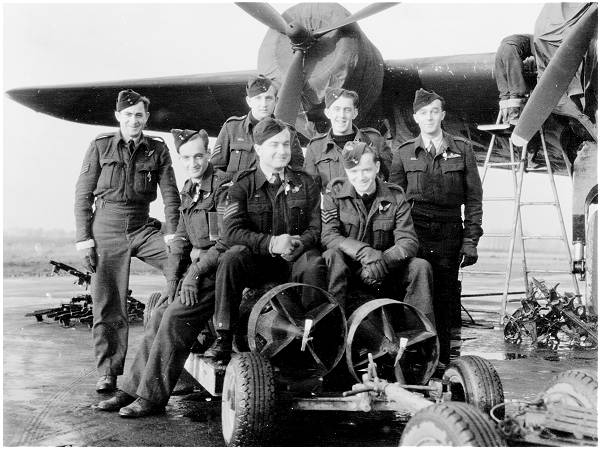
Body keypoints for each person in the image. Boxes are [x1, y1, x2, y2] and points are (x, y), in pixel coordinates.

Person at [95, 128, 221, 418]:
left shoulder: (221, 187)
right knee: (160, 311)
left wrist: (191, 277)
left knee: (175, 316)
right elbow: (180, 239)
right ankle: (130, 389)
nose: (193, 162)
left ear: (208, 154)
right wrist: (175, 279)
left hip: (217, 272)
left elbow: (223, 245)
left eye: (199, 155)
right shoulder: (190, 190)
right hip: (196, 273)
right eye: (187, 158)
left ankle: (152, 398)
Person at [74, 89, 180, 392]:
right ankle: (107, 371)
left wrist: (173, 235)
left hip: (142, 224)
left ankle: (178, 354)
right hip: (106, 226)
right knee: (108, 303)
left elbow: (171, 194)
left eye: (139, 115)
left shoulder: (157, 149)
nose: (134, 120)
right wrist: (85, 240)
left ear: (146, 118)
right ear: (118, 116)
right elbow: (83, 194)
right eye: (128, 114)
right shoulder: (100, 146)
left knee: (180, 266)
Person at [208, 117, 326, 360]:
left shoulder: (305, 183)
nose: (282, 151)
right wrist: (271, 244)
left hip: (292, 261)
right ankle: (224, 336)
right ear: (259, 148)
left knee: (313, 261)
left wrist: (299, 244)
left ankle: (312, 334)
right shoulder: (242, 185)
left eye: (285, 144)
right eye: (274, 145)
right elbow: (231, 232)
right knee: (232, 257)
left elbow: (315, 229)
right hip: (257, 264)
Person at [390, 89, 483, 368]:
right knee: (413, 293)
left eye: (434, 111)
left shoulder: (462, 150)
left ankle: (441, 362)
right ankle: (411, 358)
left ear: (442, 115)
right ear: (415, 118)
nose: (429, 117)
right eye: (423, 113)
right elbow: (394, 199)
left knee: (444, 298)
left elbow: (474, 200)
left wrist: (470, 241)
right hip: (414, 233)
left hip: (448, 234)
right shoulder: (404, 153)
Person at [321, 141, 435, 326]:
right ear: (346, 170)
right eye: (354, 171)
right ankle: (335, 327)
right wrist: (364, 253)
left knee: (420, 266)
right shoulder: (334, 194)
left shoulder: (395, 196)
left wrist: (381, 261)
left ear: (377, 167)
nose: (360, 177)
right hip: (348, 273)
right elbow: (329, 236)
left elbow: (408, 241)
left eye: (366, 170)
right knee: (332, 255)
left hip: (384, 272)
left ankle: (420, 336)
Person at [210, 75, 304, 175]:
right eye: (258, 98)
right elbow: (215, 169)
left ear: (276, 101)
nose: (263, 104)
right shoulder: (232, 128)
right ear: (249, 101)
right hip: (237, 189)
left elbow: (297, 170)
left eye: (268, 98)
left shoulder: (288, 132)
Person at [303, 87, 392, 191]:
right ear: (327, 113)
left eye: (347, 110)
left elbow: (394, 177)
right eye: (336, 109)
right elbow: (310, 190)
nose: (342, 115)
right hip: (334, 206)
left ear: (355, 113)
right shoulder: (315, 148)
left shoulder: (373, 140)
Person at [494, 34, 533, 125]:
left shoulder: (522, 37)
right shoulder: (535, 39)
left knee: (504, 90)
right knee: (517, 87)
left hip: (499, 51)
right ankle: (514, 118)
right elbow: (538, 57)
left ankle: (506, 119)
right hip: (511, 50)